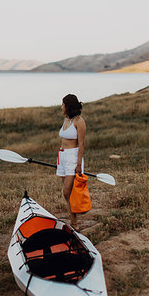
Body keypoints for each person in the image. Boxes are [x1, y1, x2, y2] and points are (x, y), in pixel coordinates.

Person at [56, 94, 86, 230]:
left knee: (67, 192)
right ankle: (73, 222)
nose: (61, 107)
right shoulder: (66, 119)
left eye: (63, 104)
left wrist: (79, 164)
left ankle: (74, 223)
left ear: (68, 106)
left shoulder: (79, 122)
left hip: (73, 158)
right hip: (62, 157)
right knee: (68, 194)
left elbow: (81, 144)